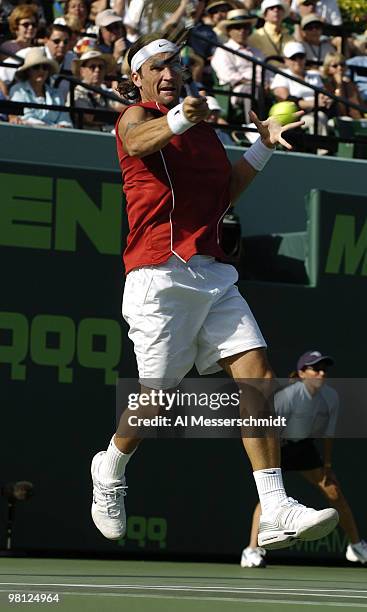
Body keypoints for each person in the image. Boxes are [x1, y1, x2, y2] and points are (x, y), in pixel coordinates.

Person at [90, 33, 339, 551]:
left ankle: (274, 508)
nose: (168, 73)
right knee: (155, 402)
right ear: (137, 78)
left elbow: (224, 190)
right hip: (157, 276)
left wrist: (263, 144)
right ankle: (110, 463)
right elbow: (139, 143)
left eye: (174, 65)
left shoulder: (202, 132)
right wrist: (181, 116)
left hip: (214, 274)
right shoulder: (133, 119)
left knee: (260, 379)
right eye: (156, 67)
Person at [241, 350, 367, 567]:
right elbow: (265, 427)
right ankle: (251, 551)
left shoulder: (331, 397)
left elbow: (328, 433)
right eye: (315, 369)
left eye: (324, 370)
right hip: (279, 444)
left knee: (334, 492)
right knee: (269, 498)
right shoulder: (289, 397)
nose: (321, 373)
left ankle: (356, 547)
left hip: (303, 446)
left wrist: (327, 465)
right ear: (301, 373)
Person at [211, 9, 265, 122]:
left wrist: (268, 83)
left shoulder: (257, 52)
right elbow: (228, 75)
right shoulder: (223, 50)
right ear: (229, 31)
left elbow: (268, 73)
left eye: (246, 27)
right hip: (236, 90)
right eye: (238, 27)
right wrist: (253, 83)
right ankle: (252, 126)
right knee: (251, 90)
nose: (242, 31)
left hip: (262, 87)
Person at [271, 41, 330, 137]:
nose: (298, 61)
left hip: (318, 111)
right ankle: (323, 151)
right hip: (295, 116)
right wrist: (314, 103)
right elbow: (285, 100)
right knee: (318, 118)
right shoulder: (281, 75)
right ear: (285, 60)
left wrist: (325, 100)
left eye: (301, 57)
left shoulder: (314, 75)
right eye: (293, 58)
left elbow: (323, 94)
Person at [9, 46, 72, 127]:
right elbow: (25, 118)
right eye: (36, 67)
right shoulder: (17, 90)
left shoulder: (57, 94)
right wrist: (51, 127)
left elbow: (65, 120)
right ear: (28, 71)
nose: (41, 70)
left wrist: (62, 126)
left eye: (45, 67)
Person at [68, 49, 121, 130]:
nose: (97, 70)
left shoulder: (107, 93)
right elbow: (89, 117)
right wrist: (116, 116)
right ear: (82, 71)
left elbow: (122, 108)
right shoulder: (76, 93)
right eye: (92, 67)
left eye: (101, 67)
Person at [248, 0, 294, 67]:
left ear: (283, 13)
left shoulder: (290, 38)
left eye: (279, 8)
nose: (276, 10)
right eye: (271, 8)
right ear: (265, 15)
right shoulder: (255, 37)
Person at [323, 53, 364, 120]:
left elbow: (360, 106)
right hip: (336, 119)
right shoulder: (325, 85)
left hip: (355, 120)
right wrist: (339, 85)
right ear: (327, 69)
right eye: (335, 66)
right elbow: (340, 109)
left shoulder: (351, 85)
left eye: (342, 64)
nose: (340, 68)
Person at [44, 23, 76, 102]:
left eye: (66, 42)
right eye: (56, 41)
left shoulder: (73, 59)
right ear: (46, 41)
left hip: (63, 110)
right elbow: (7, 72)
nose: (62, 45)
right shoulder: (33, 54)